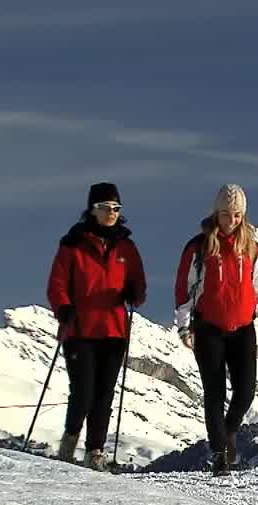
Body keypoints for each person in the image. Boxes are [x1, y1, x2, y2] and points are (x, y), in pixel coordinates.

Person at [174, 184, 258, 475]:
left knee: (245, 392)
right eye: (225, 214)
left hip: (243, 328)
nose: (230, 220)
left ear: (243, 215)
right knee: (214, 391)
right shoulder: (199, 247)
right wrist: (185, 327)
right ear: (216, 212)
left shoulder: (252, 249)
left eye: (236, 215)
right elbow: (184, 289)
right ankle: (220, 454)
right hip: (209, 327)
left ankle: (228, 431)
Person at [46, 182, 147, 470]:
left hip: (114, 330)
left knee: (104, 393)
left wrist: (133, 294)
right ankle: (68, 445)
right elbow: (57, 283)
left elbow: (138, 283)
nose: (111, 213)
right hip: (79, 329)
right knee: (83, 390)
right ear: (93, 210)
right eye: (105, 208)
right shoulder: (73, 244)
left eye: (116, 208)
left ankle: (95, 452)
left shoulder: (126, 247)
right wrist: (63, 308)